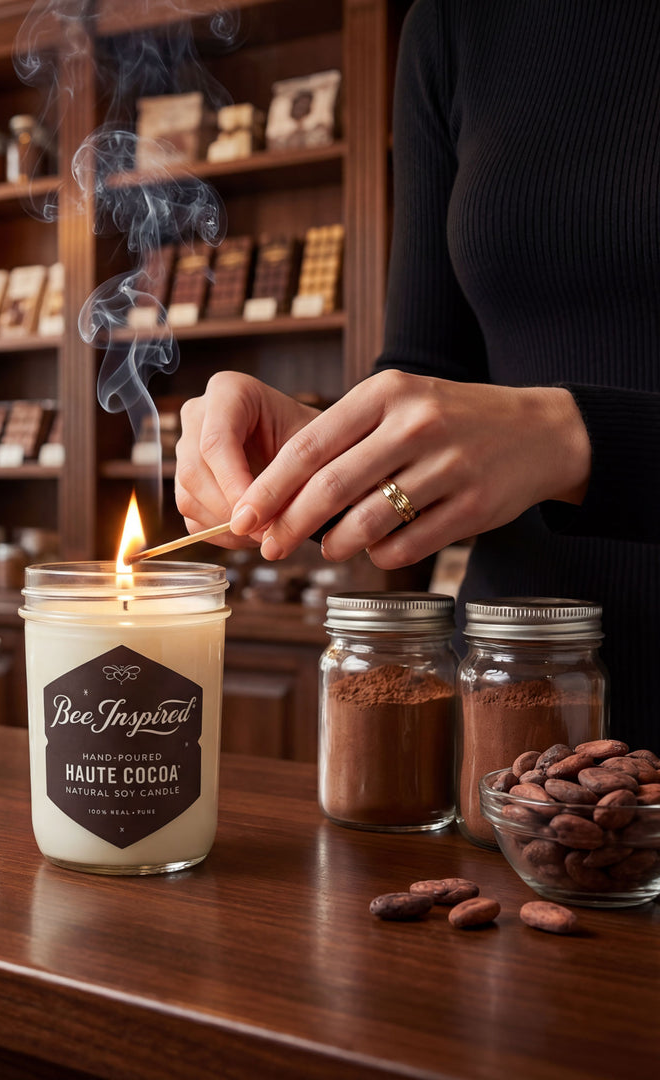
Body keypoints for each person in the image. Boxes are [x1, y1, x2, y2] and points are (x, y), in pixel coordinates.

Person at [173, 0, 660, 748]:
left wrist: (575, 439)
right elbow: (426, 369)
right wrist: (322, 453)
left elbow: (526, 430)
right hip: (517, 698)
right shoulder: (454, 22)